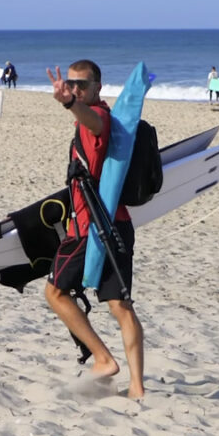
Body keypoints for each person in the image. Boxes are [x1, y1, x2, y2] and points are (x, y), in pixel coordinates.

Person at [44, 59, 145, 400]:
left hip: (91, 229)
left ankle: (103, 360)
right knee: (119, 305)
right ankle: (137, 388)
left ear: (98, 87)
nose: (76, 89)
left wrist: (69, 103)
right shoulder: (100, 116)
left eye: (82, 85)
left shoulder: (98, 117)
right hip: (119, 224)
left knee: (55, 293)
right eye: (71, 84)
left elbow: (93, 123)